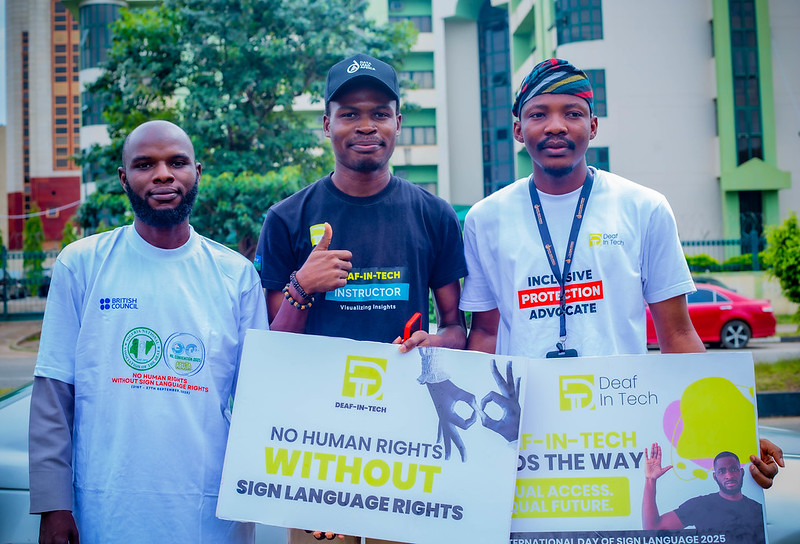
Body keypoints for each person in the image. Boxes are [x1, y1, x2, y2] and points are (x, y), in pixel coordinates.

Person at [459, 58, 782, 486]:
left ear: (592, 126)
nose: (556, 126)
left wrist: (729, 428)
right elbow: (483, 333)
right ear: (519, 129)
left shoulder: (643, 207)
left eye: (572, 113)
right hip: (524, 434)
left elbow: (678, 335)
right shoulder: (486, 218)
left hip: (622, 425)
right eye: (538, 114)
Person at [254, 53, 468, 544]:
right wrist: (301, 286)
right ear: (327, 124)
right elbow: (274, 347)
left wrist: (438, 341)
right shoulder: (286, 219)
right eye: (349, 114)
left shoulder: (434, 215)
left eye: (379, 112)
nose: (365, 125)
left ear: (398, 122)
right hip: (319, 447)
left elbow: (459, 328)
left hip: (409, 446)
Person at [28, 120, 268, 544]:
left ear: (197, 171)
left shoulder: (236, 275)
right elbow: (54, 394)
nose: (163, 175)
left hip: (209, 514)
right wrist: (53, 504)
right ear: (124, 178)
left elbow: (261, 402)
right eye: (145, 164)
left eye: (177, 162)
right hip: (104, 510)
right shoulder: (81, 263)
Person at [642, 443, 766, 543]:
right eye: (722, 471)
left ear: (742, 472)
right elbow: (653, 529)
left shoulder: (758, 510)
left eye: (733, 469)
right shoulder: (700, 505)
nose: (729, 475)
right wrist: (650, 479)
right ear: (715, 477)